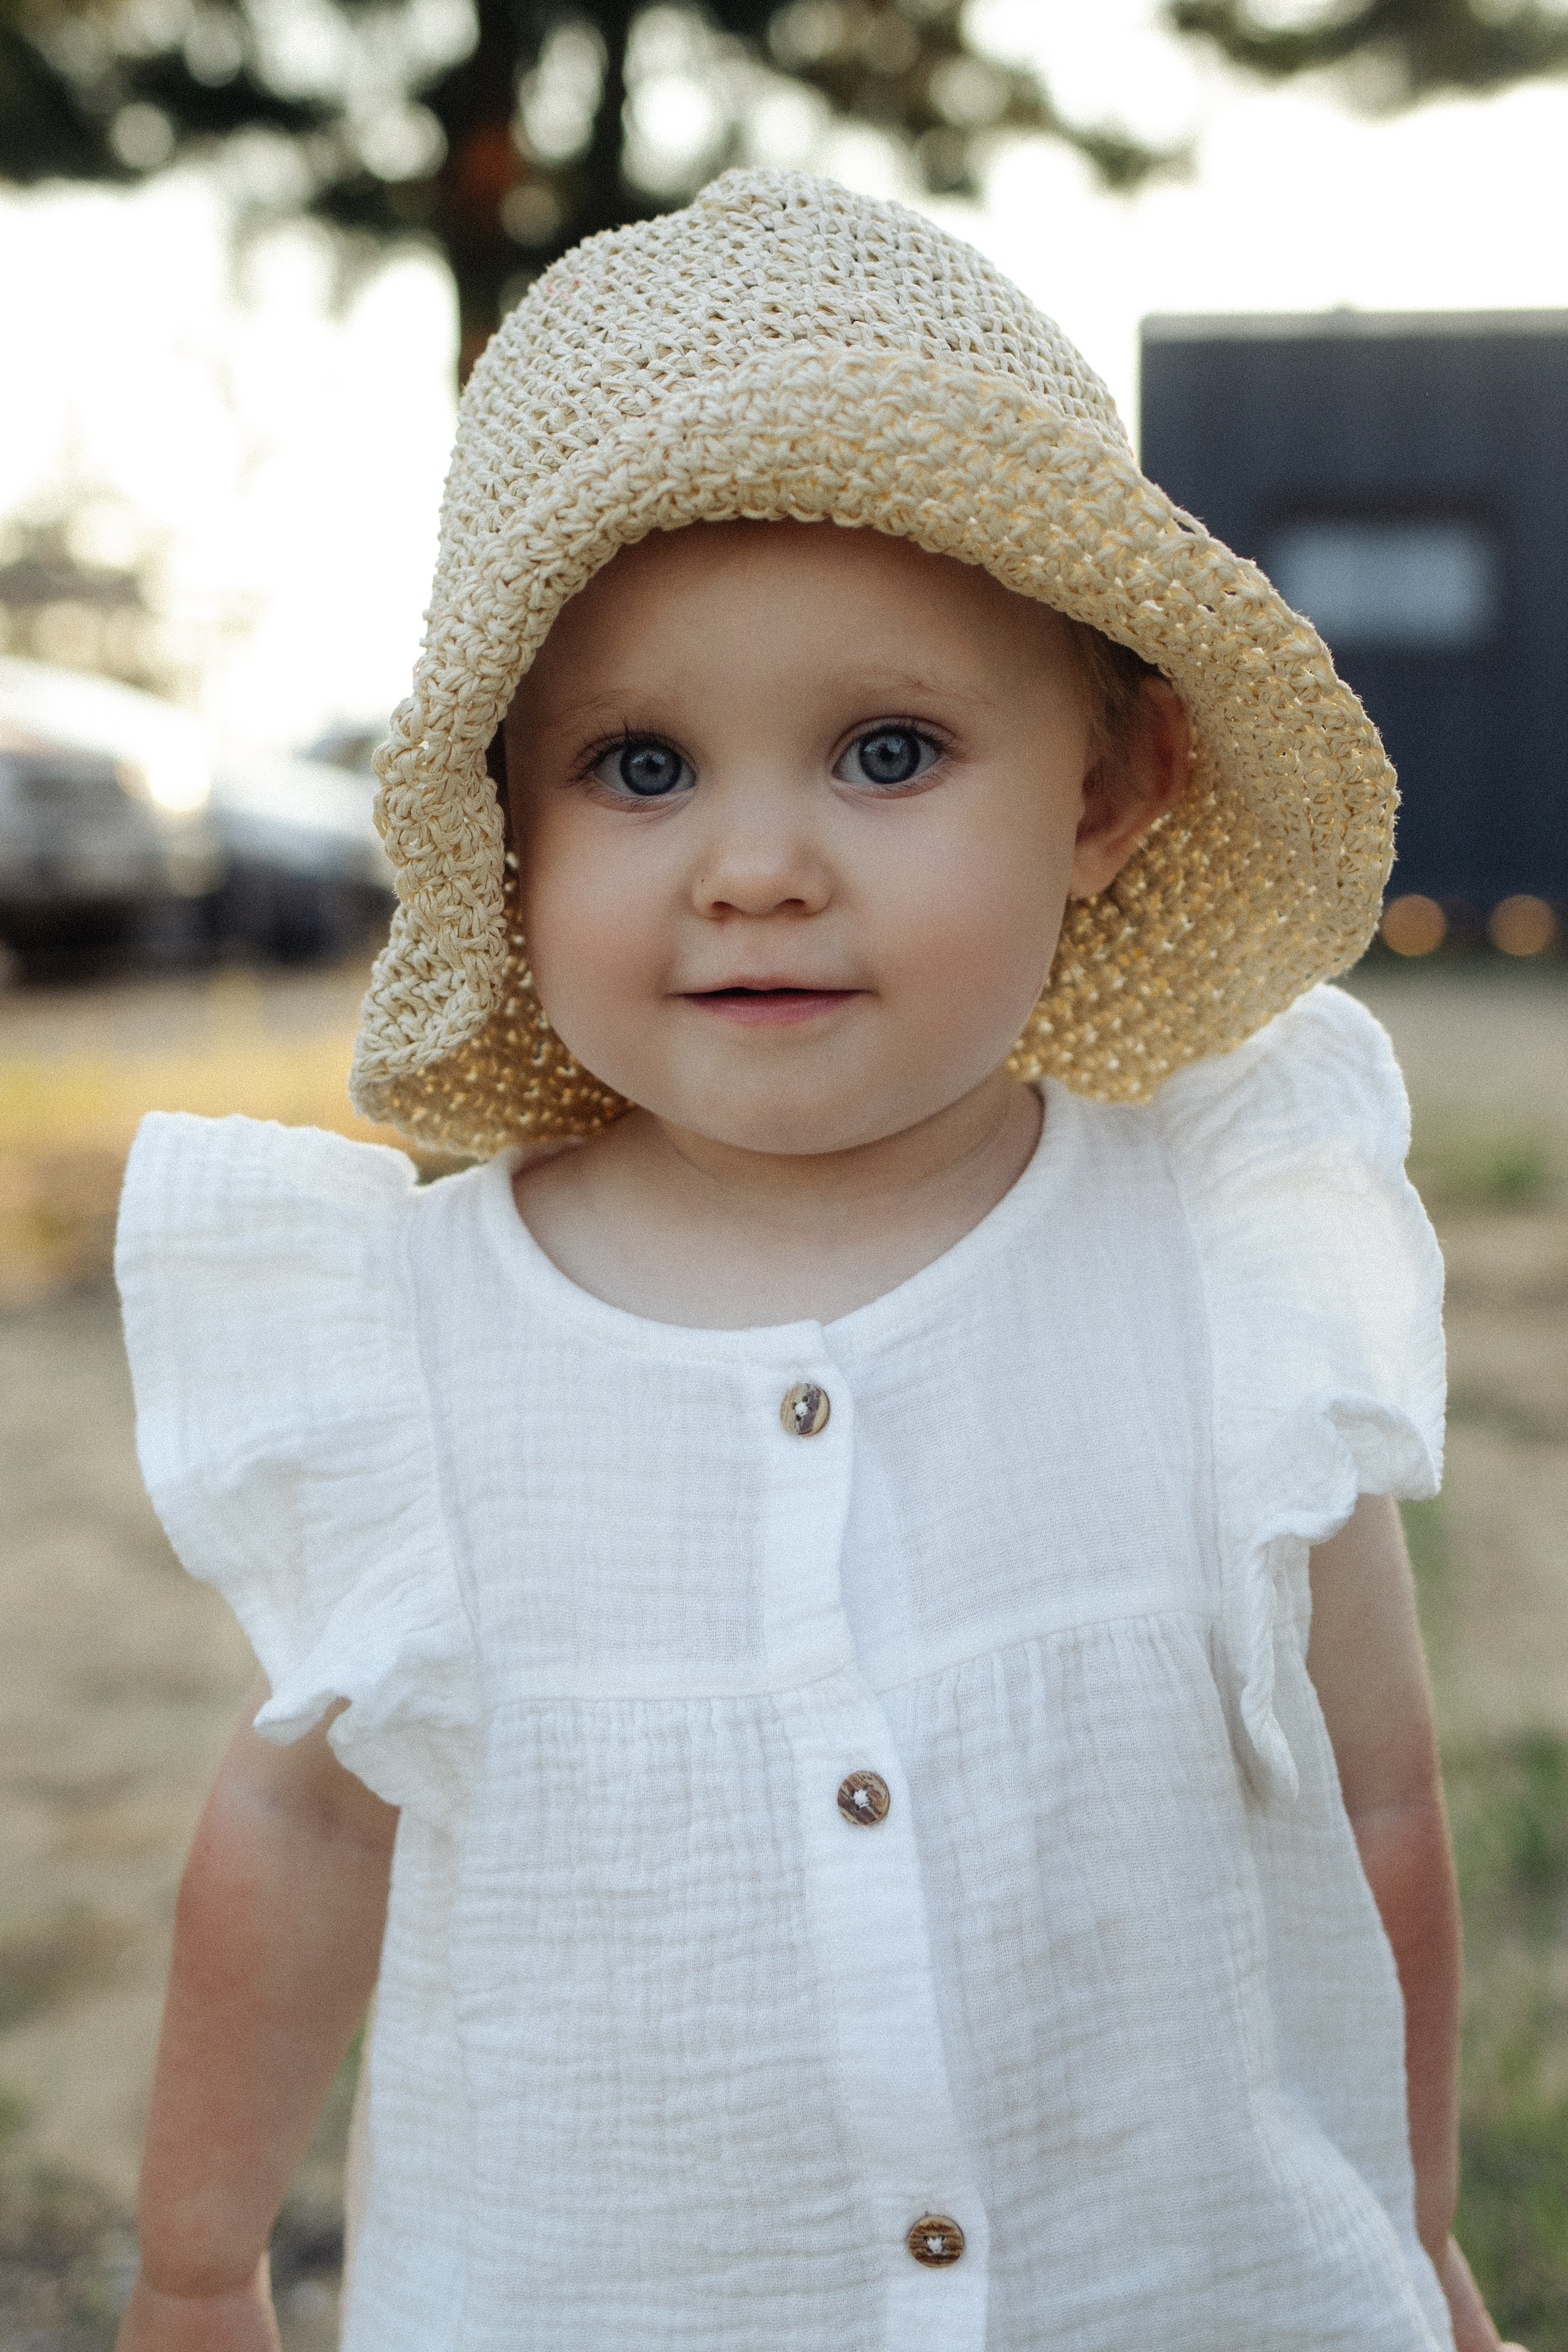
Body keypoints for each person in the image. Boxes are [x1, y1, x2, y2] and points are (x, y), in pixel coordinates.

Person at [112, 170, 1519, 2352]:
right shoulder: (407, 1348)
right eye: (639, 766)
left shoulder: (1229, 1265)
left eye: (888, 752)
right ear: (505, 828)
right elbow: (300, 1838)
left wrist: (1411, 2222)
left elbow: (1380, 1790)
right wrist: (199, 2267)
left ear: (1112, 785)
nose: (757, 867)